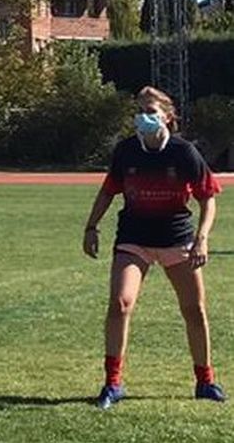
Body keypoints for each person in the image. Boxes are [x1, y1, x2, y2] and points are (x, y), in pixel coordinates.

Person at [82, 86, 224, 409]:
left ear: (167, 118)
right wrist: (91, 226)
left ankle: (205, 381)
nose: (144, 117)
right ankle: (113, 383)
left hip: (177, 239)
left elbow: (208, 198)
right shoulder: (126, 151)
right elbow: (108, 192)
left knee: (194, 309)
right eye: (140, 110)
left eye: (151, 112)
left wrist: (201, 237)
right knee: (120, 303)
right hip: (134, 238)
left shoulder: (184, 152)